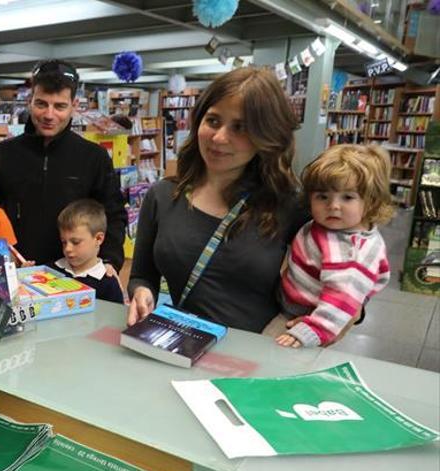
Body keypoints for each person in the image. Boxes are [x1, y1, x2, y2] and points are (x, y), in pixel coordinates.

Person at [127, 67, 308, 333]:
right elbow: (142, 274)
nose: (220, 138)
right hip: (181, 347)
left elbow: (348, 263)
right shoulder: (163, 195)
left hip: (255, 359)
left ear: (266, 137)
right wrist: (142, 292)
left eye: (241, 128)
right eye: (213, 120)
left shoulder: (289, 205)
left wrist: (346, 315)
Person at [0, 59, 127, 271]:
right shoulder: (3, 154)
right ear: (30, 100)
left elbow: (113, 215)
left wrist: (109, 260)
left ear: (74, 106)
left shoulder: (94, 157)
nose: (49, 115)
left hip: (76, 276)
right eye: (41, 104)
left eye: (60, 106)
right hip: (17, 273)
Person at [270, 144, 393, 348]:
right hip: (291, 302)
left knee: (268, 353)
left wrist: (314, 330)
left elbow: (343, 298)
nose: (333, 205)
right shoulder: (332, 227)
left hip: (305, 317)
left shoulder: (352, 252)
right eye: (322, 196)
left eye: (347, 197)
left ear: (370, 202)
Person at [52, 199, 125, 303]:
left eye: (76, 242)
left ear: (98, 239)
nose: (67, 249)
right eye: (64, 242)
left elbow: (116, 316)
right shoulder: (52, 270)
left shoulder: (108, 283)